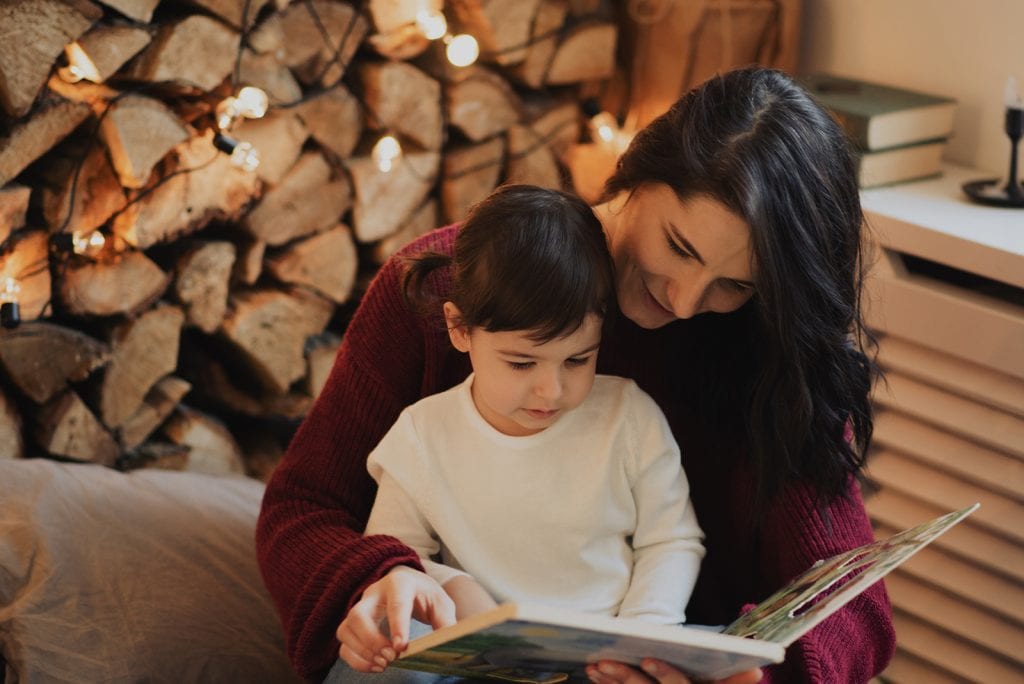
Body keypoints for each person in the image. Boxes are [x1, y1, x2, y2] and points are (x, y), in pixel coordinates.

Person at [256, 66, 895, 684]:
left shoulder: (766, 349)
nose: (686, 300)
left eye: (734, 284)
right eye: (679, 246)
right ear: (637, 176)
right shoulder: (445, 287)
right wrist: (384, 578)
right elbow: (301, 511)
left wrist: (751, 676)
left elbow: (853, 601)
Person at [351, 185, 706, 674]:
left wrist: (644, 635)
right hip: (477, 658)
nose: (552, 391)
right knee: (386, 649)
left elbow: (671, 541)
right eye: (521, 363)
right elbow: (392, 556)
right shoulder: (422, 434)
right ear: (459, 329)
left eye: (577, 359)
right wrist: (451, 585)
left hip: (601, 660)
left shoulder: (629, 417)